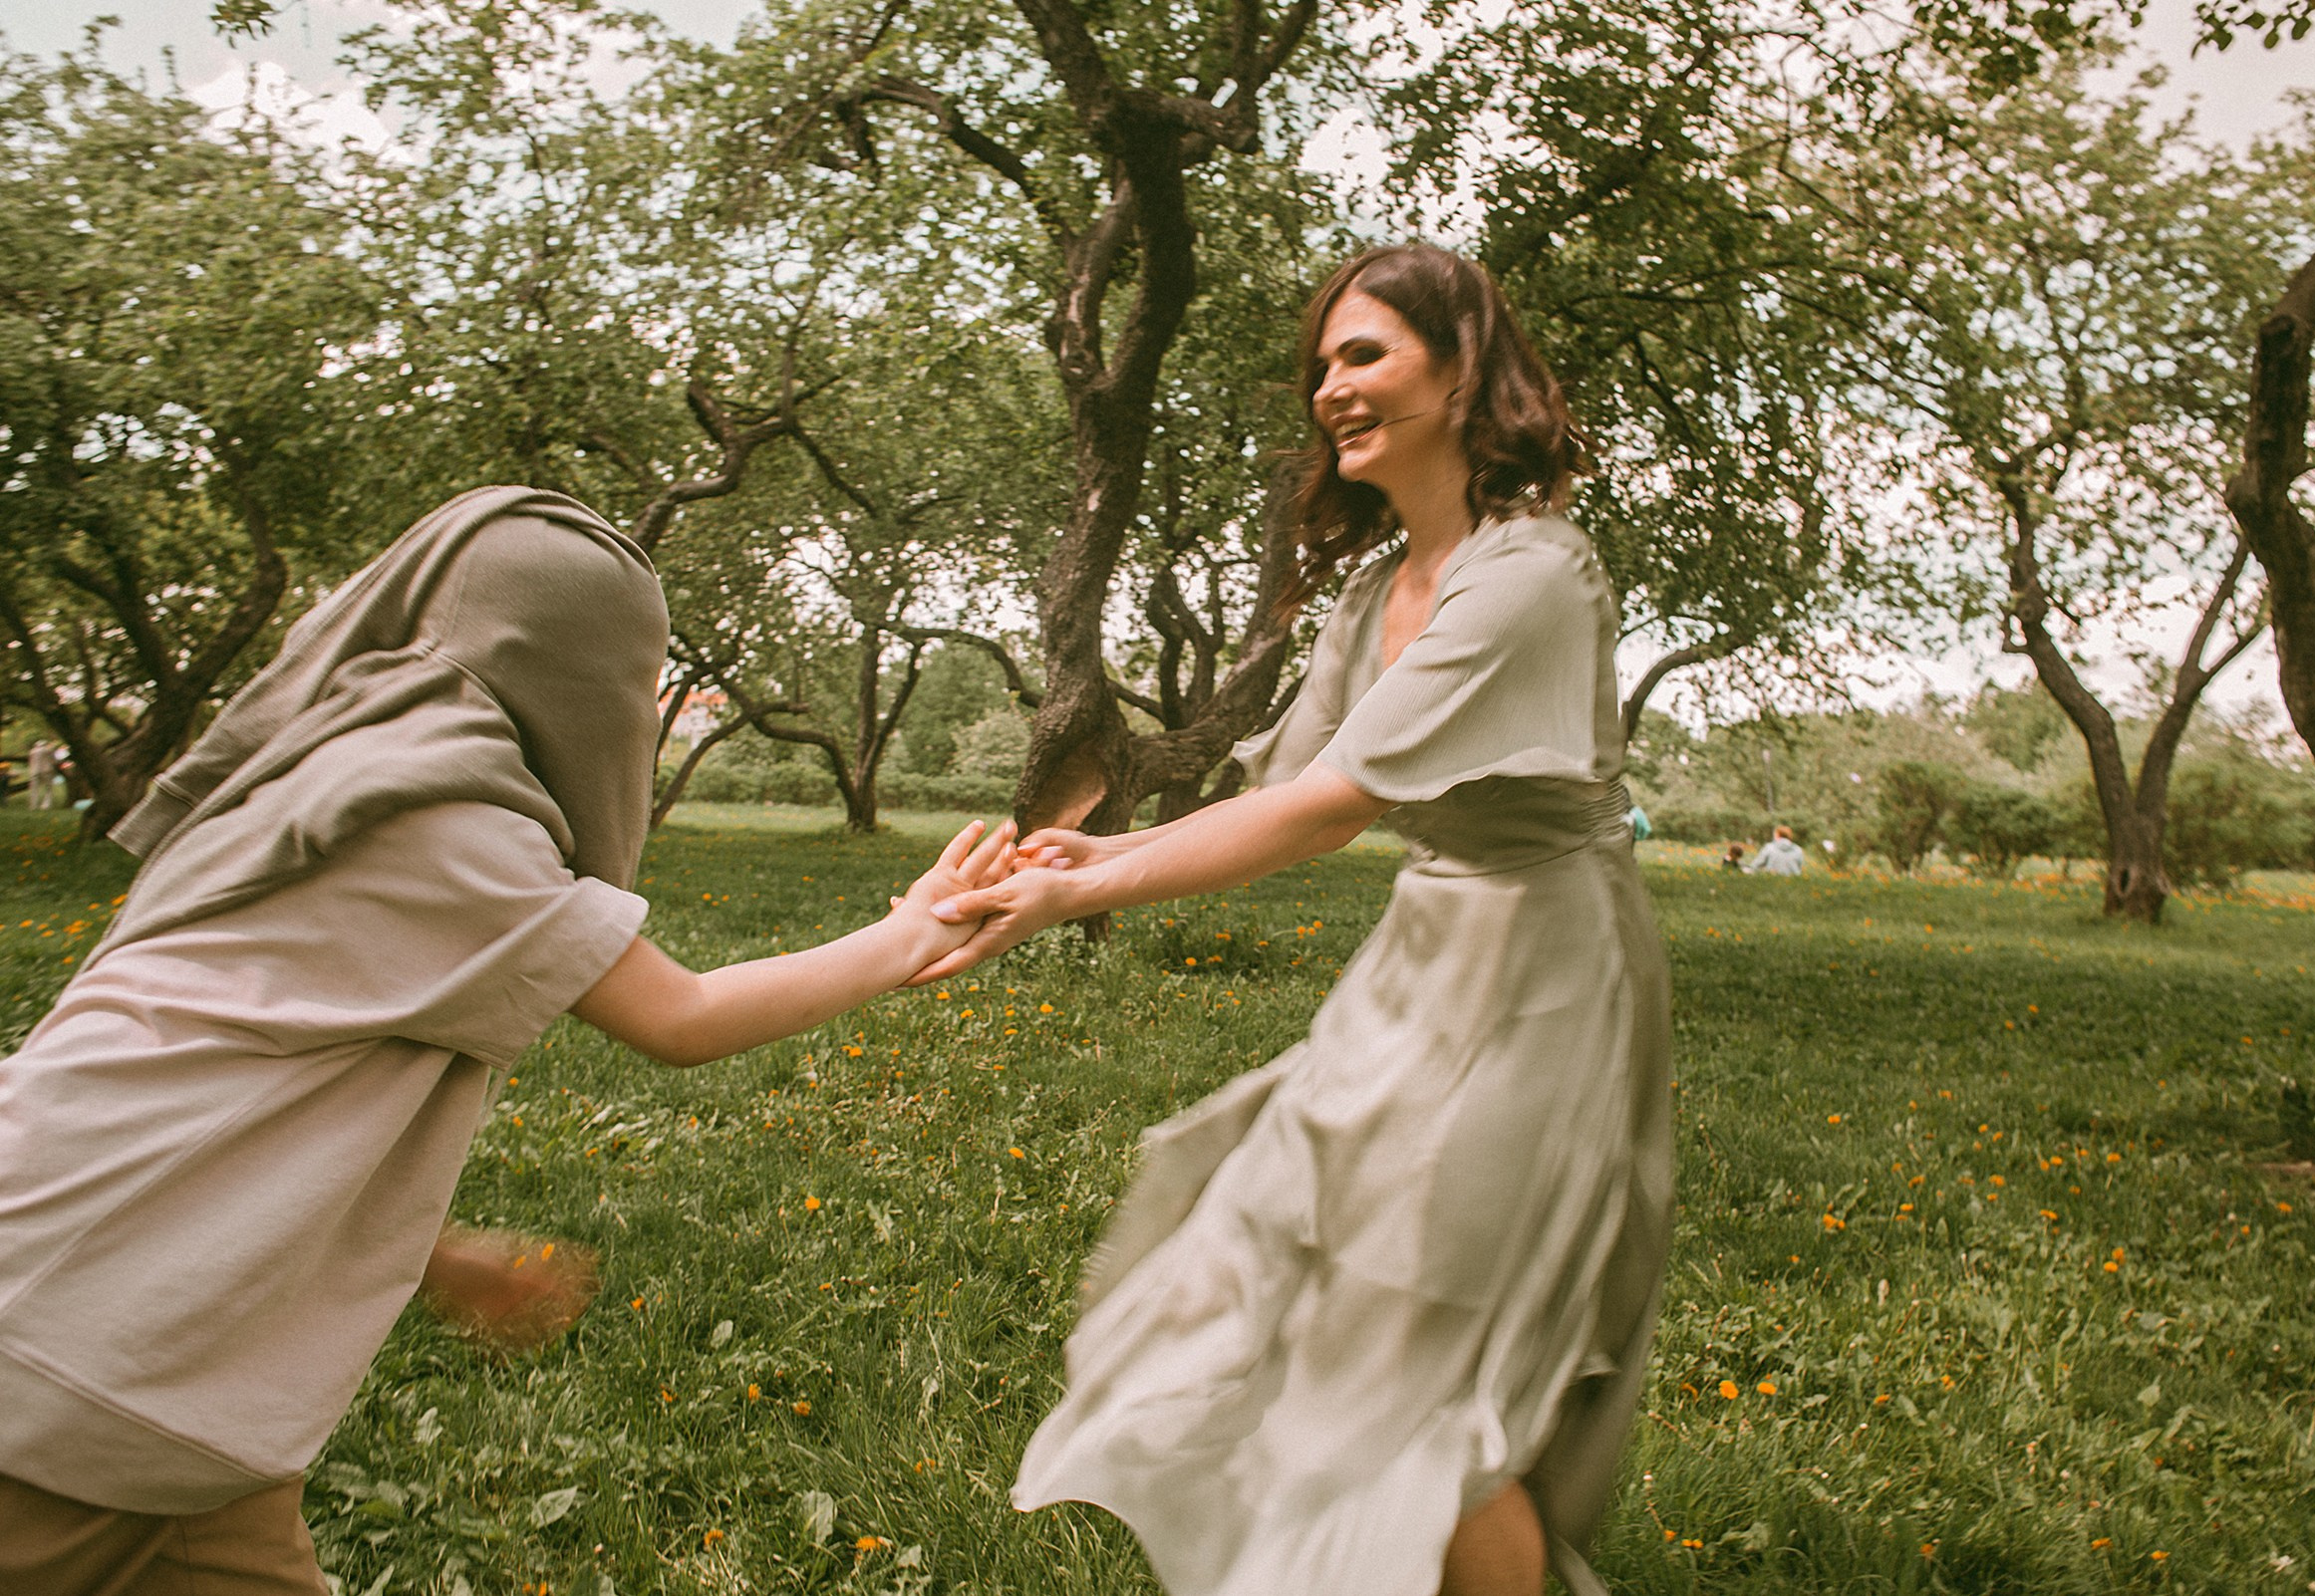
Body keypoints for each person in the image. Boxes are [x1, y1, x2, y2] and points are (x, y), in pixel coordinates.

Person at [0, 486, 1012, 1596]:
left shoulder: (317, 782)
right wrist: (908, 929)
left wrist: (422, 1250)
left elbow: (237, 1068)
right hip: (77, 1357)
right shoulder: (442, 823)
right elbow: (683, 1018)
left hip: (158, 1340)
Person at [920, 245, 1671, 1596]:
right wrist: (1106, 843)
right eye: (1324, 362)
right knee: (1307, 1297)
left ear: (1462, 369)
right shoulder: (1368, 592)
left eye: (1367, 353)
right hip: (1425, 964)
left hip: (1547, 979)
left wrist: (1077, 891)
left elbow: (1330, 808)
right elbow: (1286, 785)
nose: (1332, 385)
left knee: (1429, 1387)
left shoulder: (1531, 575)